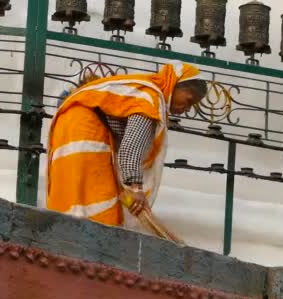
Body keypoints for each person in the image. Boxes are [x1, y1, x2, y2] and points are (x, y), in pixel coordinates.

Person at [47, 61, 208, 227]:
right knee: (97, 206)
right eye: (189, 100)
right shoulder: (150, 99)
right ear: (175, 85)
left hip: (70, 127)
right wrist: (136, 189)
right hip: (85, 130)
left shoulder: (143, 92)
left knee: (72, 193)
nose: (187, 108)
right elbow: (131, 149)